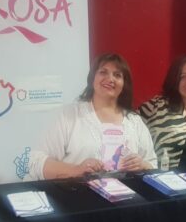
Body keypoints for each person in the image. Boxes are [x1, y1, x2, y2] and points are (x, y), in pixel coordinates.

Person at [27, 53, 157, 180]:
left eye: (117, 75)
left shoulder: (134, 122)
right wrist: (76, 170)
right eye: (103, 72)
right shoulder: (69, 115)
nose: (110, 79)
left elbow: (153, 165)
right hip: (77, 193)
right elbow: (35, 161)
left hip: (128, 194)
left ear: (124, 84)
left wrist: (142, 165)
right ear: (92, 79)